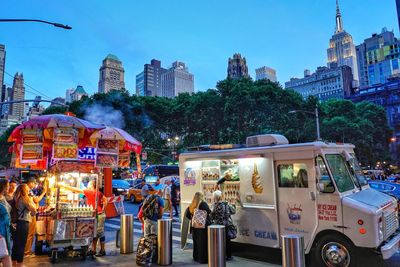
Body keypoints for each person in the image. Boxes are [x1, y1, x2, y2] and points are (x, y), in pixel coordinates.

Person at [59, 180, 108, 257]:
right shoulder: (98, 192)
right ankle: (93, 250)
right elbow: (106, 199)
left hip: (99, 215)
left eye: (89, 184)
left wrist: (64, 186)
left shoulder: (90, 192)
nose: (87, 185)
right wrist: (103, 208)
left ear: (92, 185)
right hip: (99, 214)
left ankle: (102, 250)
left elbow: (76, 190)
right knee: (95, 233)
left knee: (99, 233)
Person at [11, 184, 37, 267]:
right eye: (27, 189)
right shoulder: (25, 199)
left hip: (16, 223)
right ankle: (20, 264)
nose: (29, 190)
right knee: (22, 245)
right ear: (24, 190)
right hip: (23, 223)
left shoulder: (16, 198)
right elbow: (34, 210)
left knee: (15, 244)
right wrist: (31, 199)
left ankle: (13, 263)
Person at [185, 192, 211, 264]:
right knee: (203, 243)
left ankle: (196, 257)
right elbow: (209, 211)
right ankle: (202, 259)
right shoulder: (203, 204)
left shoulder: (191, 205)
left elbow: (187, 215)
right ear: (201, 197)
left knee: (196, 243)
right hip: (202, 227)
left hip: (194, 227)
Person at [24, 177, 46, 257]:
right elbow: (36, 200)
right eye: (34, 183)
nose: (34, 185)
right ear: (31, 183)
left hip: (30, 214)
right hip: (29, 215)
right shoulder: (28, 190)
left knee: (30, 234)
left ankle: (27, 251)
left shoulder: (27, 190)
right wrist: (43, 193)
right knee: (30, 234)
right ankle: (26, 252)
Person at [211, 190, 236, 261]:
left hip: (217, 226)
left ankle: (220, 255)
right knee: (227, 241)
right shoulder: (226, 204)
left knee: (218, 241)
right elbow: (233, 211)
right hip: (226, 225)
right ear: (221, 196)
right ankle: (229, 256)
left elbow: (212, 216)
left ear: (215, 197)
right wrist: (234, 204)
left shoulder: (214, 205)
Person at [0, 180, 12, 267]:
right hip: (0, 232)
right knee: (4, 254)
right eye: (7, 186)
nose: (9, 188)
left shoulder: (3, 197)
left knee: (6, 252)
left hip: (6, 230)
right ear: (3, 187)